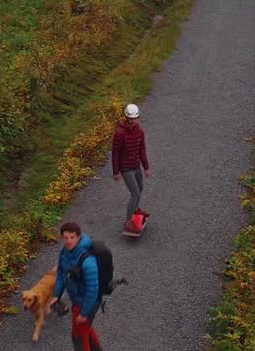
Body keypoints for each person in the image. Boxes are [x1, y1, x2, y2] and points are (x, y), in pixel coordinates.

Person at [54, 221, 104, 351]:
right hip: (77, 300)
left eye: (72, 237)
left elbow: (93, 291)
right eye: (65, 238)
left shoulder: (88, 261)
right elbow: (61, 274)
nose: (69, 241)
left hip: (87, 303)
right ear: (62, 237)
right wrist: (56, 295)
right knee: (85, 329)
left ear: (79, 236)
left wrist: (84, 313)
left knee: (78, 338)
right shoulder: (64, 253)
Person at [111, 103, 150, 231]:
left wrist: (146, 167)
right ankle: (128, 222)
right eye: (131, 118)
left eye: (135, 118)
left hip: (136, 166)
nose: (133, 121)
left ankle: (136, 210)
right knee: (135, 193)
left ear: (138, 117)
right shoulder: (120, 133)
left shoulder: (140, 131)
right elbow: (115, 153)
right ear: (127, 118)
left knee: (140, 188)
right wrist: (116, 172)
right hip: (126, 168)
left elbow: (142, 149)